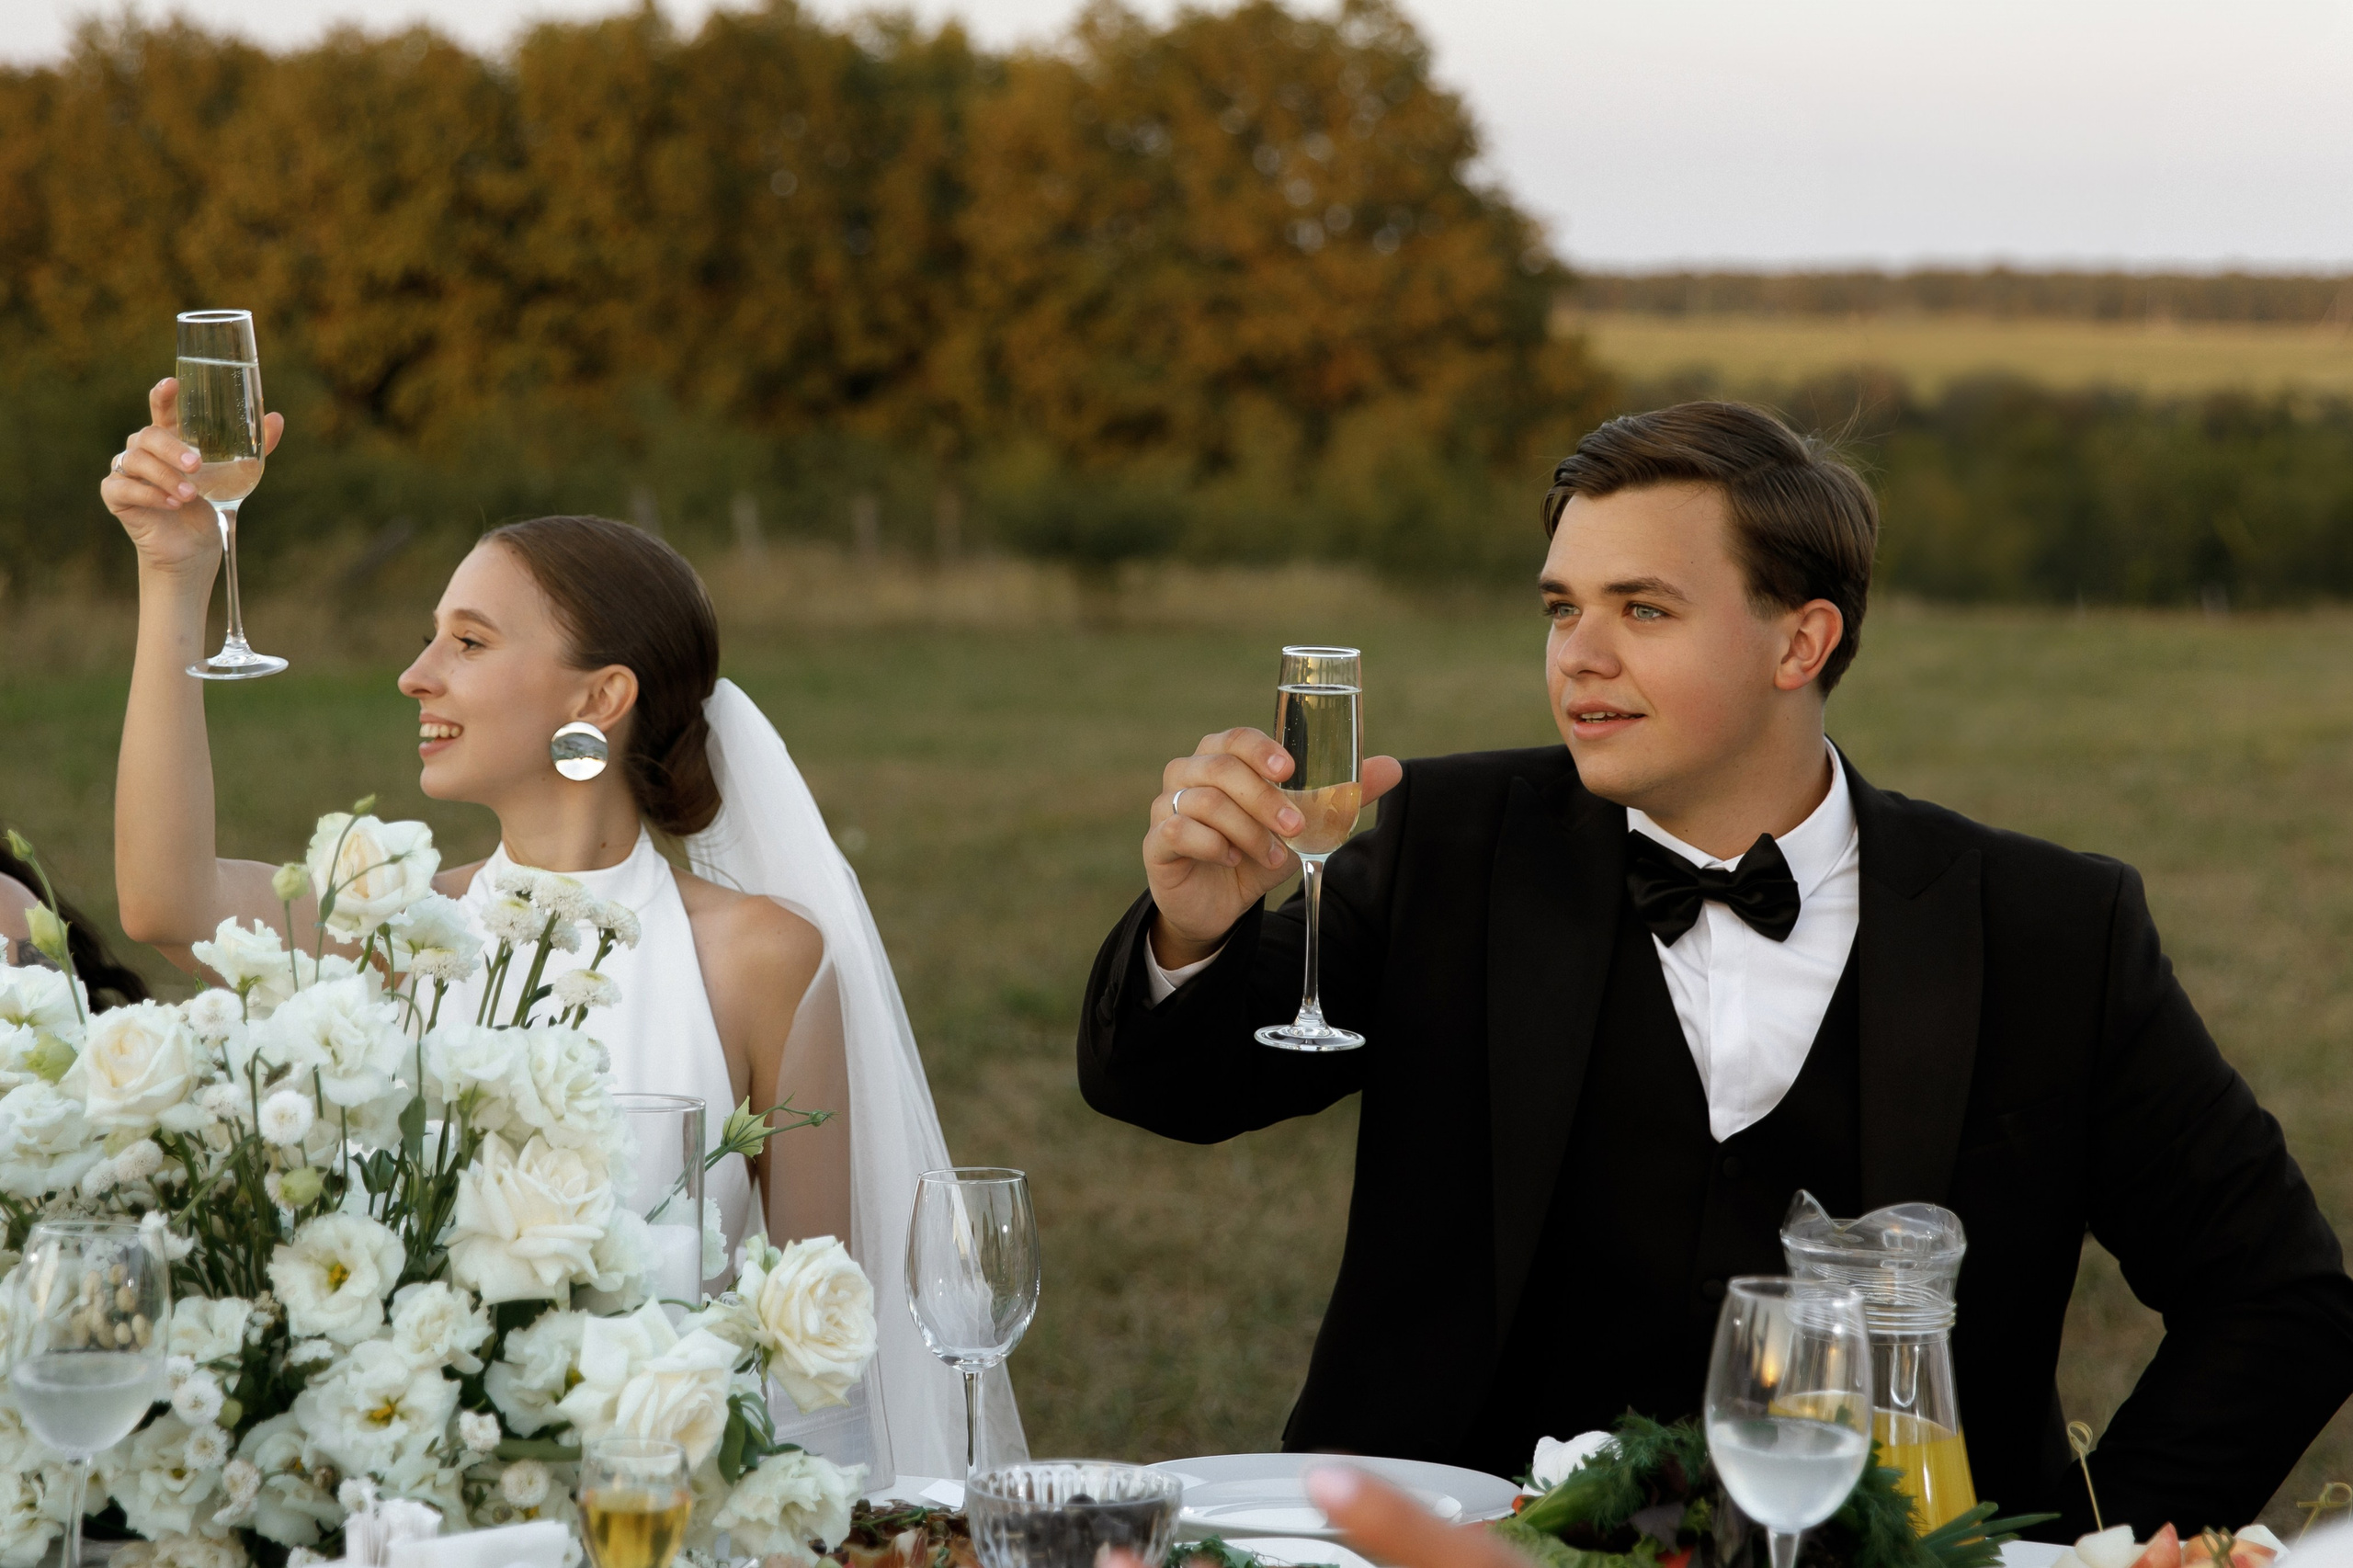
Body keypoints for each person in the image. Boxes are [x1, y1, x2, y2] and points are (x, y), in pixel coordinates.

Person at [1076, 401, 2353, 1534]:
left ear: (1800, 644)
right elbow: (1177, 1089)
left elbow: (2280, 1298)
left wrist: (2087, 1547)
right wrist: (1193, 933)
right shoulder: (1444, 845)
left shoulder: (2050, 927)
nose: (1578, 654)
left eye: (1642, 609)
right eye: (1561, 607)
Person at [100, 378, 1021, 1482]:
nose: (416, 674)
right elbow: (163, 899)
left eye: (469, 641)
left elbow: (819, 1343)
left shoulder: (759, 959)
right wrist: (173, 573)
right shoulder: (395, 925)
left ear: (599, 699)